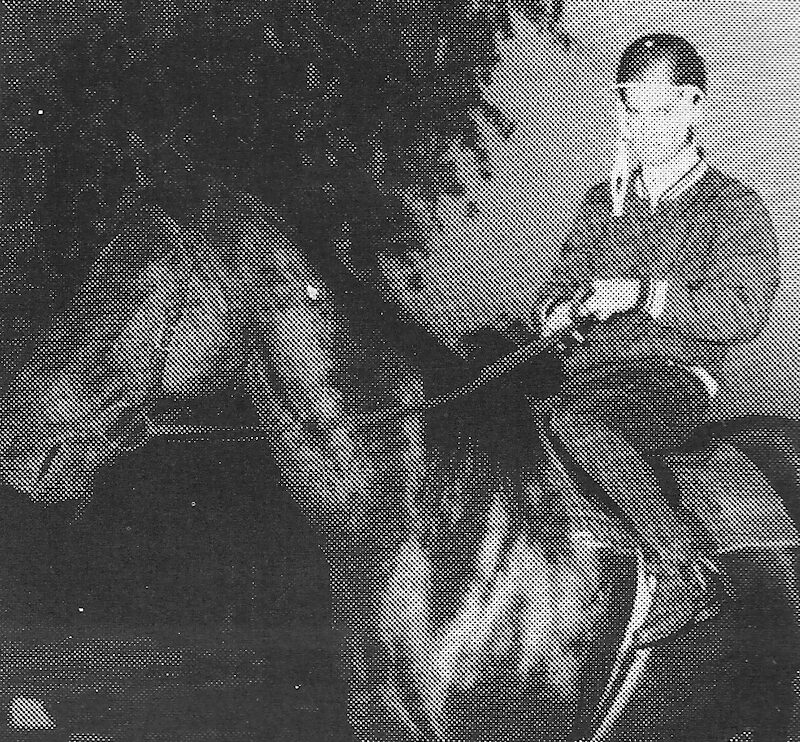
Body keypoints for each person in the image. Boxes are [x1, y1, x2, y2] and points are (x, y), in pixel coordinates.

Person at [533, 33, 781, 643]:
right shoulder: (604, 203)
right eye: (632, 109)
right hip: (601, 382)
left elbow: (742, 317)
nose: (646, 127)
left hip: (691, 392)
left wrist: (643, 299)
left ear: (696, 109)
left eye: (663, 110)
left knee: (586, 413)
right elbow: (569, 290)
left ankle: (674, 578)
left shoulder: (727, 202)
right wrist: (562, 313)